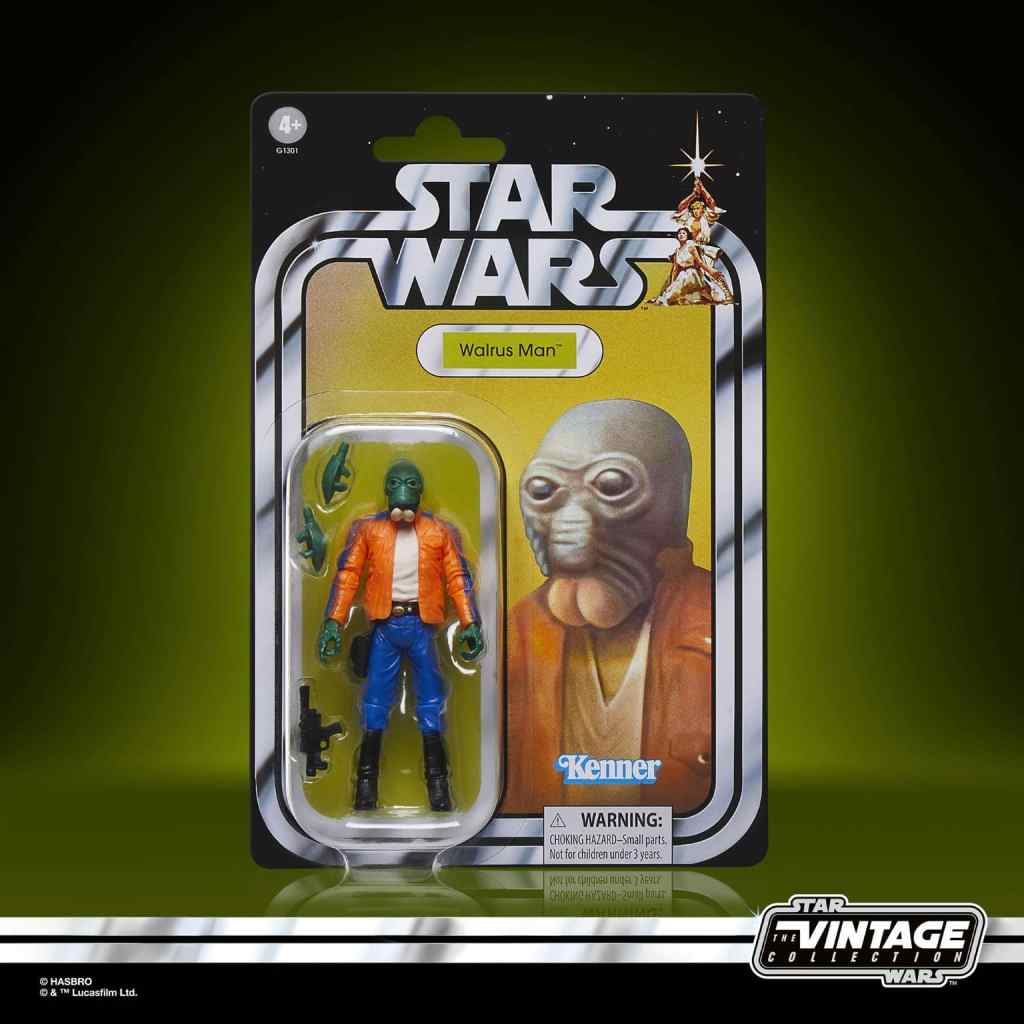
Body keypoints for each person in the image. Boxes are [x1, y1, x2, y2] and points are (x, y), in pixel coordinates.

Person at [500, 400, 712, 813]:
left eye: (611, 486)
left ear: (677, 499)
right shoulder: (522, 630)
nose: (570, 517)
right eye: (544, 491)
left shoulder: (724, 625)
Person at [317, 457, 485, 812]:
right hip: (385, 628)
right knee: (375, 703)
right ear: (386, 490)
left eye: (410, 484)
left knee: (431, 701)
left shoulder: (439, 532)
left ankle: (438, 785)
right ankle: (365, 787)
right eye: (395, 484)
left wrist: (470, 622)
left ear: (420, 491)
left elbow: (457, 578)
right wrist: (334, 620)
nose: (403, 491)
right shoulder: (369, 531)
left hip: (422, 628)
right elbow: (348, 575)